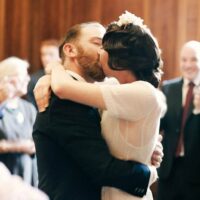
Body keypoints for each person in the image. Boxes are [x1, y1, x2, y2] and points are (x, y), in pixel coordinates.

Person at [35, 11, 165, 200]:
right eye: (98, 43)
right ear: (70, 50)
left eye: (107, 46)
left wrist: (146, 147)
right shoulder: (62, 102)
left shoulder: (103, 92)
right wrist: (148, 173)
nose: (105, 52)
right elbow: (103, 168)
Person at [157, 41, 200, 200]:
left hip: (196, 175)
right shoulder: (168, 88)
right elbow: (158, 125)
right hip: (169, 171)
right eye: (184, 60)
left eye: (194, 59)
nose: (188, 65)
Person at [0, 57, 37, 186]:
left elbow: (37, 143)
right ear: (8, 79)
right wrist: (16, 146)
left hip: (27, 179)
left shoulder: (28, 108)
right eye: (24, 75)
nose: (28, 79)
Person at [27, 39, 60, 108]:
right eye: (43, 54)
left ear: (60, 57)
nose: (46, 58)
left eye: (51, 54)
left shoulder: (67, 78)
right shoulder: (33, 80)